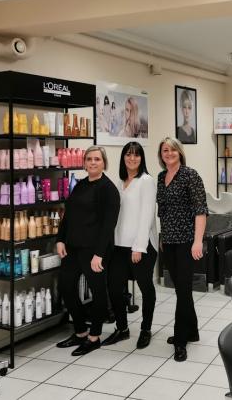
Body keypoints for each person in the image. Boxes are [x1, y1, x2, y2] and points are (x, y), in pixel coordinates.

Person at [55, 146, 120, 356]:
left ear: (104, 163)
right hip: (73, 247)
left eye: (97, 159)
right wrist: (60, 239)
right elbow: (68, 215)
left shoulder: (108, 189)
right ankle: (80, 331)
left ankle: (94, 337)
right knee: (66, 287)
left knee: (97, 292)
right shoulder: (80, 185)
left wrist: (99, 254)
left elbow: (109, 225)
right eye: (89, 159)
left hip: (94, 250)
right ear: (84, 163)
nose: (92, 162)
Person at [156, 137, 207, 362]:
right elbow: (162, 211)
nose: (169, 153)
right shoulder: (161, 177)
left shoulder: (190, 175)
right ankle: (192, 331)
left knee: (184, 291)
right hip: (169, 241)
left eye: (173, 150)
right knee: (181, 290)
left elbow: (200, 210)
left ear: (180, 152)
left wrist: (198, 241)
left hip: (187, 241)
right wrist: (162, 237)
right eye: (165, 150)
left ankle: (180, 340)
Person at [103, 142, 157, 349]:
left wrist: (139, 246)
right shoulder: (120, 181)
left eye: (136, 155)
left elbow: (147, 215)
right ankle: (122, 328)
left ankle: (146, 329)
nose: (132, 158)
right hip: (119, 244)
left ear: (142, 158)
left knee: (145, 287)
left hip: (141, 245)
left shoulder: (146, 181)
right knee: (114, 287)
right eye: (128, 154)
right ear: (123, 157)